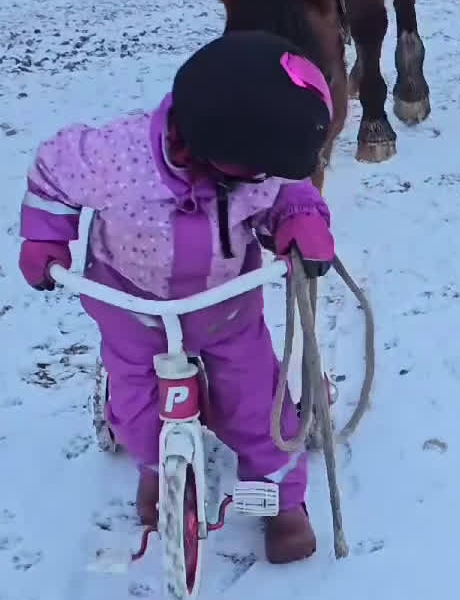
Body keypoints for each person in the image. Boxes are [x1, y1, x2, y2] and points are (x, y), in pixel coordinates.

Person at [18, 29, 336, 564]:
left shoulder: (258, 170)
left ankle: (284, 500)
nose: (264, 178)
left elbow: (286, 193)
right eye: (258, 168)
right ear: (217, 151)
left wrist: (301, 222)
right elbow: (52, 171)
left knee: (256, 401)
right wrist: (45, 235)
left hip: (225, 307)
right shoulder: (114, 160)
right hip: (130, 303)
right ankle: (152, 467)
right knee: (137, 402)